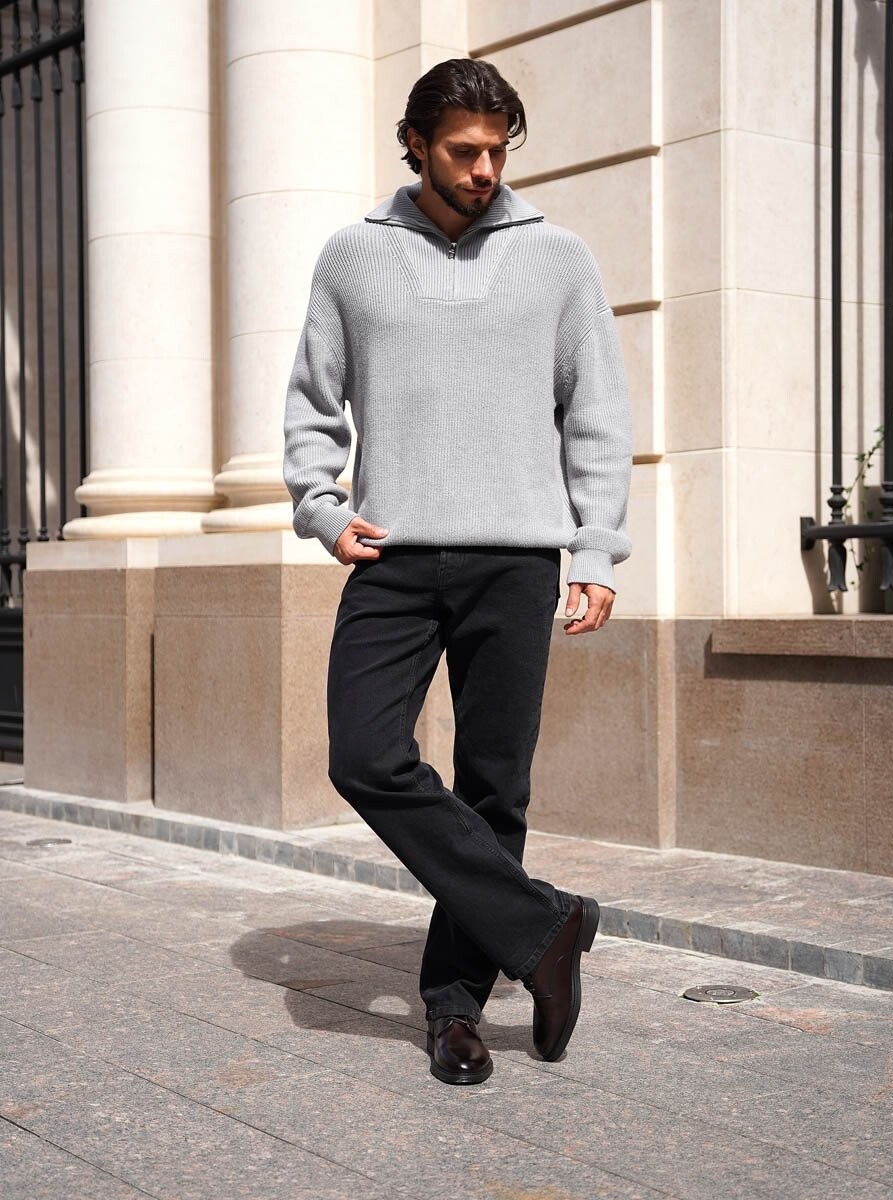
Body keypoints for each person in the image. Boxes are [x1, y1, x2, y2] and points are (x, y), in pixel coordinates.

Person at [283, 58, 633, 1086]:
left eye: (497, 152)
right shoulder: (355, 255)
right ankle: (547, 925)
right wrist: (321, 508)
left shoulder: (557, 258)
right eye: (463, 151)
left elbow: (598, 414)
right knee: (365, 756)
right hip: (392, 555)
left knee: (494, 789)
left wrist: (597, 549)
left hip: (517, 559)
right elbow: (313, 399)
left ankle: (455, 1011)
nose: (484, 170)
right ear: (417, 145)